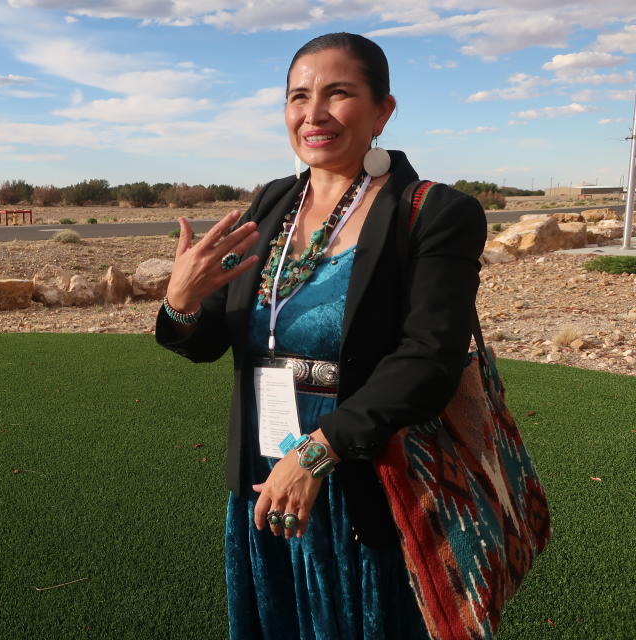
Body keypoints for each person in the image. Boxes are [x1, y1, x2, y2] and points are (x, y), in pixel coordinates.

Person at [156, 33, 487, 639]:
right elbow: (216, 343)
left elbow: (429, 360)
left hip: (369, 478)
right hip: (266, 475)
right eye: (298, 96)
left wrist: (317, 452)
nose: (313, 114)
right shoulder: (274, 203)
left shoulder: (433, 212)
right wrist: (181, 300)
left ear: (384, 109)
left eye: (339, 93)